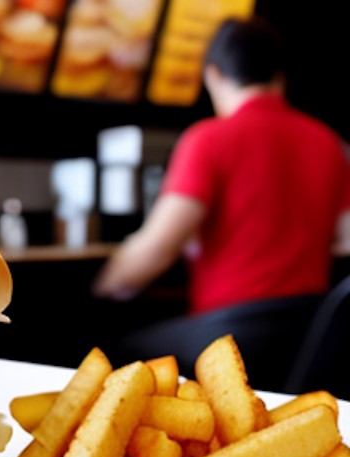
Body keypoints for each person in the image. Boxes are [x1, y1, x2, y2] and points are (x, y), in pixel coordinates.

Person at [92, 16, 350, 315]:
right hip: (306, 332)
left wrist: (101, 287)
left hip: (226, 335)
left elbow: (156, 251)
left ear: (213, 76)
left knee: (118, 345)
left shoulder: (208, 139)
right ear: (280, 77)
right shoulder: (328, 142)